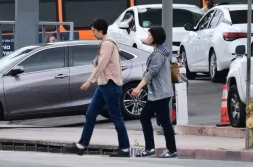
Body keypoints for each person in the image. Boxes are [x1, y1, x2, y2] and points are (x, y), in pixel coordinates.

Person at [73, 18, 130, 157]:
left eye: (93, 31)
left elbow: (102, 65)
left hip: (110, 84)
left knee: (116, 117)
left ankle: (125, 148)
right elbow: (100, 62)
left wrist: (89, 81)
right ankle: (81, 145)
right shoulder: (104, 44)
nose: (92, 34)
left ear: (100, 30)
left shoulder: (107, 44)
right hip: (104, 84)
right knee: (91, 114)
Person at [131, 26, 178, 158]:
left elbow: (152, 73)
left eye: (150, 35)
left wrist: (138, 88)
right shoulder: (161, 52)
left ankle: (167, 149)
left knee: (157, 120)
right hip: (160, 93)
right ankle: (153, 148)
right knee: (152, 119)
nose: (147, 37)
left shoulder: (158, 54)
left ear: (155, 38)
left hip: (160, 94)